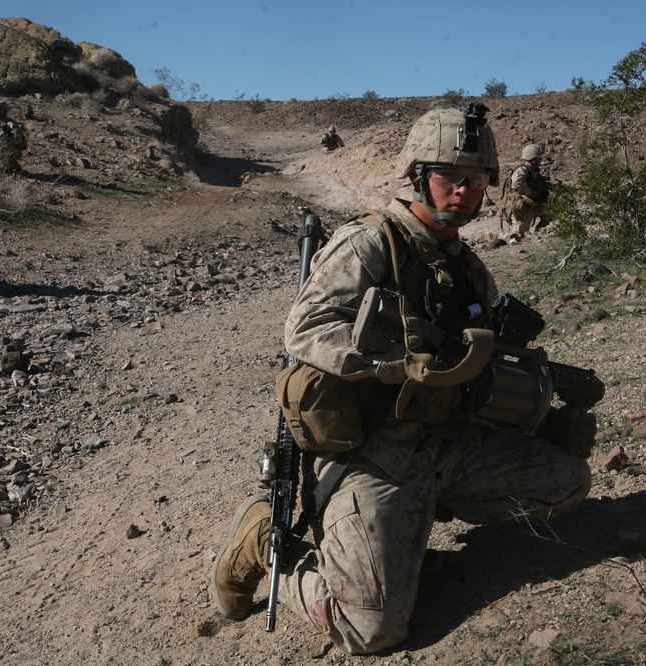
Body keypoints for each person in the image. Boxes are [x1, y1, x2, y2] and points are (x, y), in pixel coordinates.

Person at [211, 106, 597, 654]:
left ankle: (409, 530)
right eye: (449, 176)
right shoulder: (370, 243)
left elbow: (484, 359)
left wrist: (541, 417)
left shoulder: (467, 265)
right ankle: (263, 547)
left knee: (567, 480)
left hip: (446, 440)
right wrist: (396, 361)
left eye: (478, 178)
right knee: (371, 630)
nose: (465, 189)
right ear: (418, 175)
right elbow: (306, 330)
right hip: (372, 450)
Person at [502, 143, 553, 237]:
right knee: (518, 235)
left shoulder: (533, 170)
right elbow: (517, 182)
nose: (541, 160)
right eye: (538, 158)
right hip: (523, 208)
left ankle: (539, 231)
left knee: (552, 211)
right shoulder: (522, 169)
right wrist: (530, 192)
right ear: (532, 159)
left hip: (533, 205)